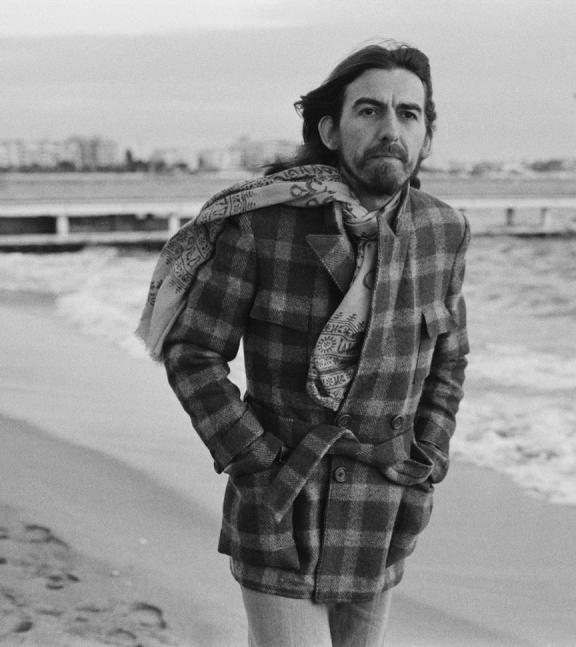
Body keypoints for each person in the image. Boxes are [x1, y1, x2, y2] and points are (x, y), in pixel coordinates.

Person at [136, 41, 469, 647]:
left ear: (426, 136)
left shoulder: (442, 230)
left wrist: (429, 459)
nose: (390, 128)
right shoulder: (265, 223)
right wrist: (255, 462)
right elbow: (193, 351)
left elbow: (449, 357)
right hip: (282, 503)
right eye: (369, 111)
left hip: (385, 505)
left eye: (408, 113)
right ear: (331, 130)